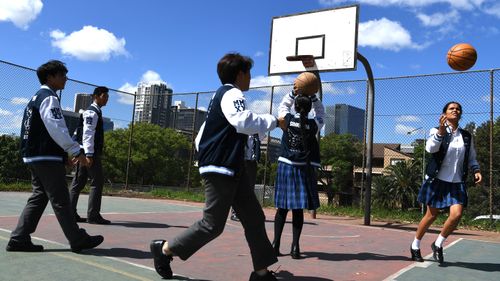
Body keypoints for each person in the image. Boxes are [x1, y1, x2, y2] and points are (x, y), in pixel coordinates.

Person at [150, 53, 281, 281]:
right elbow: (243, 121)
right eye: (248, 73)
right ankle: (164, 249)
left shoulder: (218, 97)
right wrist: (275, 121)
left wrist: (210, 158)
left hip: (229, 167)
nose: (250, 78)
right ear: (240, 74)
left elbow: (201, 137)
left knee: (254, 217)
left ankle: (261, 272)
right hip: (222, 169)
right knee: (212, 225)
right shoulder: (232, 93)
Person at [6, 60, 104, 253]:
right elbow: (56, 128)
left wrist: (61, 155)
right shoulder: (49, 98)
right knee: (61, 199)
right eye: (62, 75)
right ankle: (77, 239)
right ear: (50, 77)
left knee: (39, 196)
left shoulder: (36, 97)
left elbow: (43, 130)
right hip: (45, 157)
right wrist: (76, 151)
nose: (65, 78)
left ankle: (19, 238)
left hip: (35, 156)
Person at [410, 101, 482, 264]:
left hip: (456, 181)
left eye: (457, 109)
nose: (455, 110)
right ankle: (415, 245)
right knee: (431, 215)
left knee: (456, 215)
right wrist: (441, 132)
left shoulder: (466, 136)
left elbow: (471, 157)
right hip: (438, 180)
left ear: (460, 114)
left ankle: (438, 244)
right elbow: (431, 149)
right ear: (444, 114)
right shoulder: (436, 130)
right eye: (451, 108)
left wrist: (476, 170)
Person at [272, 81, 325, 260]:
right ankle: (295, 247)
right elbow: (321, 113)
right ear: (309, 108)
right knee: (297, 210)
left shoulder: (286, 120)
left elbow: (282, 106)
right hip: (303, 169)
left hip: (286, 165)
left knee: (282, 208)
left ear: (295, 106)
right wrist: (314, 97)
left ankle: (275, 244)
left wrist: (293, 93)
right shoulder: (313, 124)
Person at [69, 86, 111, 224]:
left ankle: (69, 214)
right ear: (96, 96)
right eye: (104, 96)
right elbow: (87, 134)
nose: (106, 99)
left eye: (107, 97)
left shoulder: (93, 112)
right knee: (97, 182)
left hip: (83, 151)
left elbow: (79, 133)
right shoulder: (91, 113)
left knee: (79, 182)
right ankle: (93, 215)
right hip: (89, 152)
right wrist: (89, 155)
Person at [230, 134, 260, 222]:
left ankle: (247, 213)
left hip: (251, 162)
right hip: (240, 161)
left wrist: (257, 158)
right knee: (238, 188)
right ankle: (235, 212)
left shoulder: (256, 135)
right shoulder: (242, 132)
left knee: (250, 188)